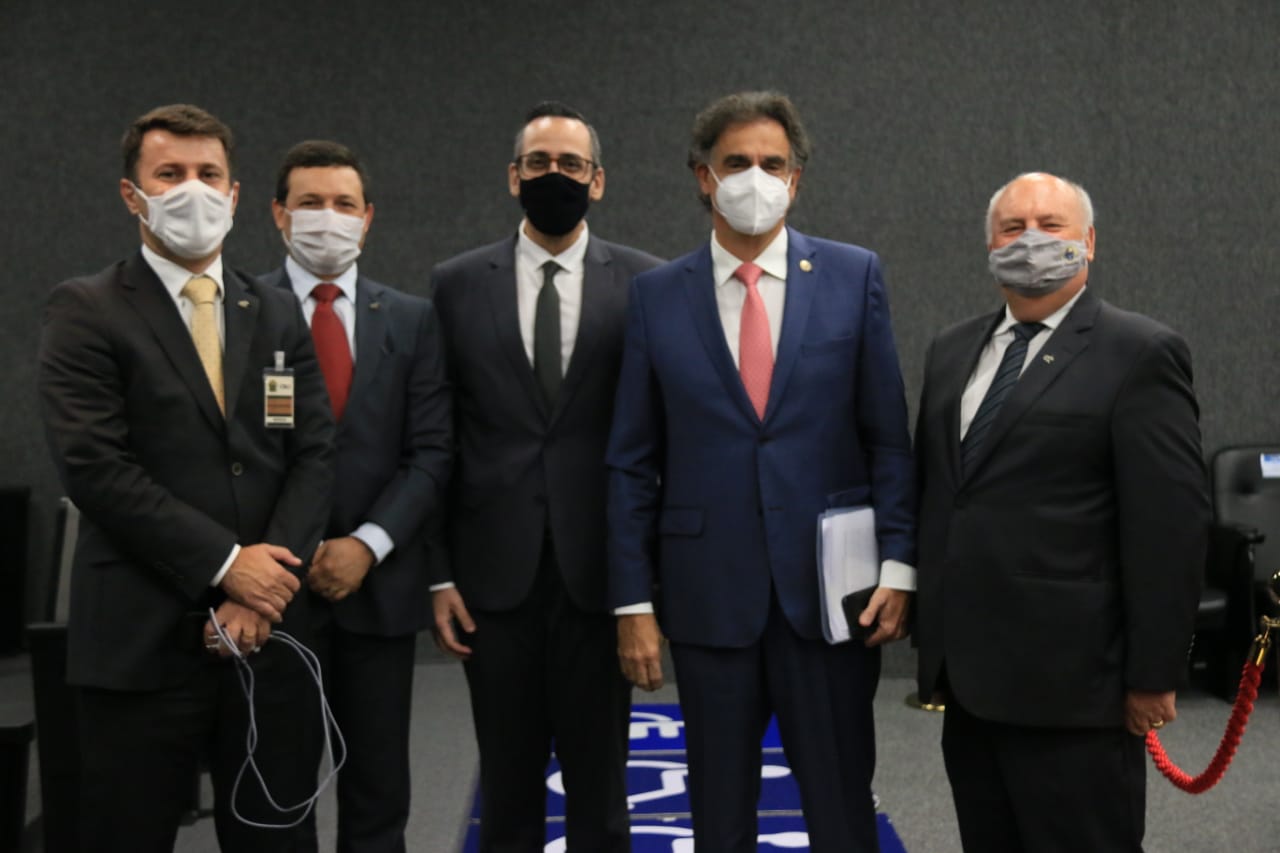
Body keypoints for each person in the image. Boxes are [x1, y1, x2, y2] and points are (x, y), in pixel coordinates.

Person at [606, 90, 917, 853]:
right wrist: (632, 601)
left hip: (830, 599)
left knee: (842, 808)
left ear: (796, 179)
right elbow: (631, 462)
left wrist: (899, 565)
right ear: (704, 176)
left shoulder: (853, 276)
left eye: (772, 163)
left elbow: (887, 437)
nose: (756, 177)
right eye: (737, 161)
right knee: (719, 814)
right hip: (707, 599)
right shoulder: (655, 297)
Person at [37, 104, 334, 852]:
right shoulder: (87, 309)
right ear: (132, 195)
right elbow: (96, 468)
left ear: (233, 195)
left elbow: (314, 455)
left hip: (267, 638)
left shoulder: (275, 311)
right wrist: (230, 566)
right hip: (140, 641)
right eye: (169, 174)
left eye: (209, 174)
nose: (192, 190)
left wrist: (264, 589)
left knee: (277, 839)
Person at [913, 171, 1208, 851]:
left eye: (1051, 226)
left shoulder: (1139, 352)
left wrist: (1155, 673)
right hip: (970, 684)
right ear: (990, 244)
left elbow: (1169, 528)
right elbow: (942, 490)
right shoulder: (952, 349)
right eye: (1013, 228)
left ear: (1090, 242)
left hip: (1076, 689)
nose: (1031, 240)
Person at [429, 101, 661, 852]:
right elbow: (438, 436)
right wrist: (438, 573)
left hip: (600, 579)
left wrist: (646, 585)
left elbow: (659, 440)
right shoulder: (457, 283)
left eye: (570, 164)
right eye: (538, 163)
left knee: (602, 794)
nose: (553, 175)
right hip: (493, 583)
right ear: (513, 176)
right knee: (506, 793)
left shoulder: (647, 283)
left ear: (598, 180)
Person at [261, 140, 452, 853]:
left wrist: (367, 546)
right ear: (279, 214)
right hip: (272, 590)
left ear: (368, 218)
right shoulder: (242, 309)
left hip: (378, 586)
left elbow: (432, 452)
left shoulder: (412, 318)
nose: (328, 217)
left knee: (378, 789)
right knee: (276, 790)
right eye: (310, 203)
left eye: (344, 204)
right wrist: (289, 551)